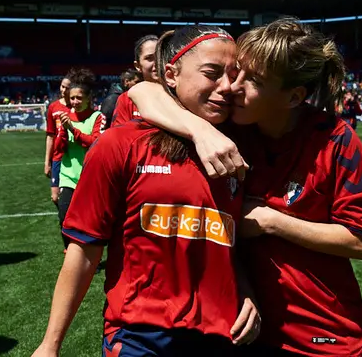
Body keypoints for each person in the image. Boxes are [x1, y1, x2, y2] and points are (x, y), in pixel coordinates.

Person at [128, 18, 362, 356]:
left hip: (323, 332)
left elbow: (360, 240)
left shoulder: (335, 140)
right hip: (246, 330)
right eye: (238, 73)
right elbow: (142, 91)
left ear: (293, 97)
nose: (233, 87)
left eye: (254, 81)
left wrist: (270, 220)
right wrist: (201, 131)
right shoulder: (230, 129)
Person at [33, 25, 259, 357]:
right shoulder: (120, 144)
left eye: (233, 75)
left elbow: (226, 241)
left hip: (221, 332)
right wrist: (50, 343)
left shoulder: (240, 149)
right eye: (212, 73)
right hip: (140, 335)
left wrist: (245, 290)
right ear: (171, 73)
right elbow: (83, 252)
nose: (226, 87)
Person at [53, 68, 104, 251]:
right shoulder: (66, 117)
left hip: (89, 176)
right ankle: (70, 251)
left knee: (89, 220)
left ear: (89, 98)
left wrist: (73, 130)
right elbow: (59, 149)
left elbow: (94, 144)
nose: (74, 102)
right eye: (72, 98)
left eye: (79, 98)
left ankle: (88, 254)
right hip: (68, 175)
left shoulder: (97, 118)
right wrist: (64, 132)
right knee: (64, 216)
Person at [111, 35, 158, 127]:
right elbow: (119, 136)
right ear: (138, 66)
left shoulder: (180, 94)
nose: (156, 63)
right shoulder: (126, 100)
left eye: (160, 56)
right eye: (149, 58)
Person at [44, 75, 72, 206]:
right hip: (57, 156)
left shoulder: (77, 106)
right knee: (55, 197)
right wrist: (47, 162)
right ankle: (64, 221)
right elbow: (50, 136)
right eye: (62, 86)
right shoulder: (53, 107)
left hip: (73, 156)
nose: (64, 90)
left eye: (67, 87)